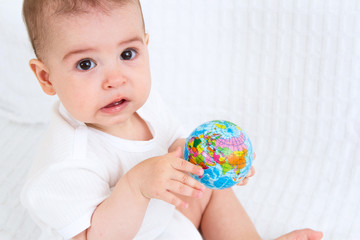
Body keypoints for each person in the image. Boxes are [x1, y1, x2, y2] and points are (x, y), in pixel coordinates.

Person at [20, 0, 323, 239]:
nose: (116, 79)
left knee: (207, 192)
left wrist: (212, 162)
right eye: (86, 64)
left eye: (127, 54)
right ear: (47, 77)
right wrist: (136, 186)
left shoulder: (145, 104)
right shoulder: (65, 164)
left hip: (158, 221)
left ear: (145, 45)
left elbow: (174, 145)